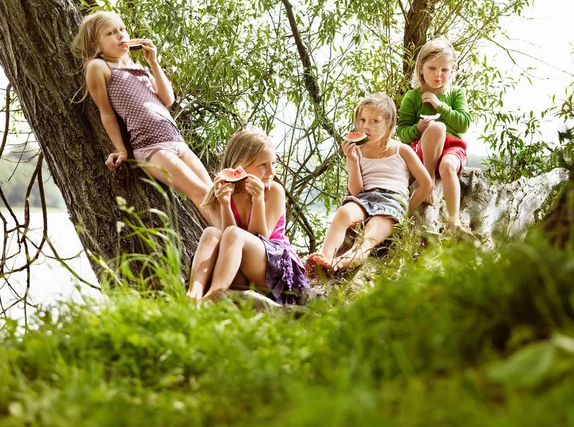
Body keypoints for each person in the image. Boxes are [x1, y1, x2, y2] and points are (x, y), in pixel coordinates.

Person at [72, 10, 212, 222]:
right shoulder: (99, 66)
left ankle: (232, 239)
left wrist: (153, 63)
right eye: (110, 33)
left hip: (175, 140)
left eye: (122, 29)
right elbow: (107, 112)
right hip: (151, 146)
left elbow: (167, 99)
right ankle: (231, 240)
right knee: (200, 192)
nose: (120, 35)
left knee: (214, 195)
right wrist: (120, 148)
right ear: (95, 45)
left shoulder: (139, 68)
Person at [307, 93, 432, 273]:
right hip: (365, 198)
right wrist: (352, 159)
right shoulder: (357, 150)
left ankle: (344, 261)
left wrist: (406, 210)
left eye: (375, 121)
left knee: (368, 236)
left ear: (389, 123)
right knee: (343, 213)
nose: (367, 126)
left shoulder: (401, 150)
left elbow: (426, 184)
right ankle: (325, 257)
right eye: (363, 120)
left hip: (392, 201)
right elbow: (356, 190)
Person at [187, 127, 309, 304]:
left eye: (274, 164)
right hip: (236, 271)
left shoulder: (274, 191)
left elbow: (261, 237)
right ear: (239, 164)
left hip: (272, 269)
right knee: (212, 233)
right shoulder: (218, 195)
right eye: (263, 165)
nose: (271, 172)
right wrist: (225, 205)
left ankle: (215, 293)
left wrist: (258, 200)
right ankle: (194, 293)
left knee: (233, 234)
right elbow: (224, 239)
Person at [397, 38, 471, 234]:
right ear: (421, 68)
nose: (438, 75)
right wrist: (418, 129)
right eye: (432, 68)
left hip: (451, 148)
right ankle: (427, 179)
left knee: (448, 166)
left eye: (445, 70)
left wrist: (441, 106)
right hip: (423, 150)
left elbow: (463, 124)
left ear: (453, 70)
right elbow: (402, 132)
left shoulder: (456, 94)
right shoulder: (412, 97)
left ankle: (453, 220)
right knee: (437, 128)